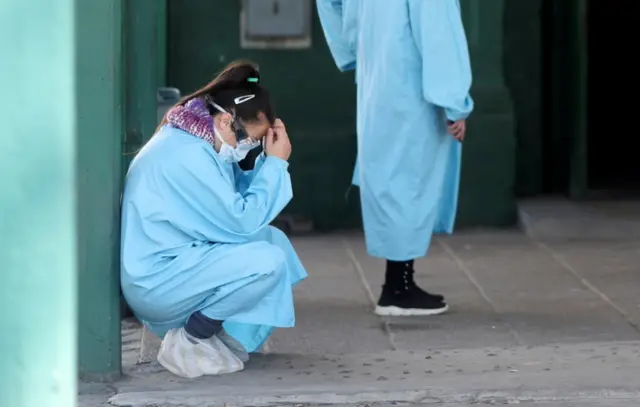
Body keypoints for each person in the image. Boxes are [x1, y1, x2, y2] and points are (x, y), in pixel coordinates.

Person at [120, 61, 307, 378]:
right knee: (268, 261)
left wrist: (265, 160)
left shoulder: (194, 140)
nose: (246, 147)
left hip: (173, 269)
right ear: (224, 121)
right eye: (248, 140)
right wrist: (276, 165)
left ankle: (223, 339)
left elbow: (233, 203)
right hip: (158, 283)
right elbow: (242, 222)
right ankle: (191, 340)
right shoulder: (189, 155)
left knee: (274, 243)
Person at [317, 0, 474, 316]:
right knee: (408, 182)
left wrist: (353, 49)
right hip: (411, 91)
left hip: (377, 84)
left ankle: (398, 283)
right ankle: (398, 289)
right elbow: (439, 35)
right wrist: (454, 101)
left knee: (392, 180)